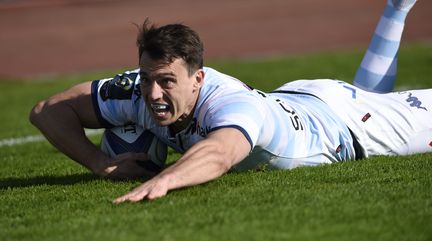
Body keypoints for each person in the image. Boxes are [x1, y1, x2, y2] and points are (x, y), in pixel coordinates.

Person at [29, 0, 430, 204]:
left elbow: (220, 155)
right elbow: (48, 111)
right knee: (370, 95)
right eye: (147, 79)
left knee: (373, 103)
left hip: (351, 127)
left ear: (198, 78)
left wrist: (163, 180)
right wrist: (99, 162)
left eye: (166, 82)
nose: (152, 94)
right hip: (298, 96)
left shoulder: (233, 106)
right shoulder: (138, 89)